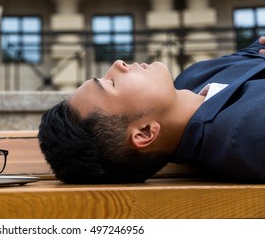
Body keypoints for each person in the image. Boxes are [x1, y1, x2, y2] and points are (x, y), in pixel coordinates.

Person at [38, 36, 265, 184]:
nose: (118, 64)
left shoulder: (192, 77)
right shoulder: (248, 135)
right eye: (111, 83)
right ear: (145, 133)